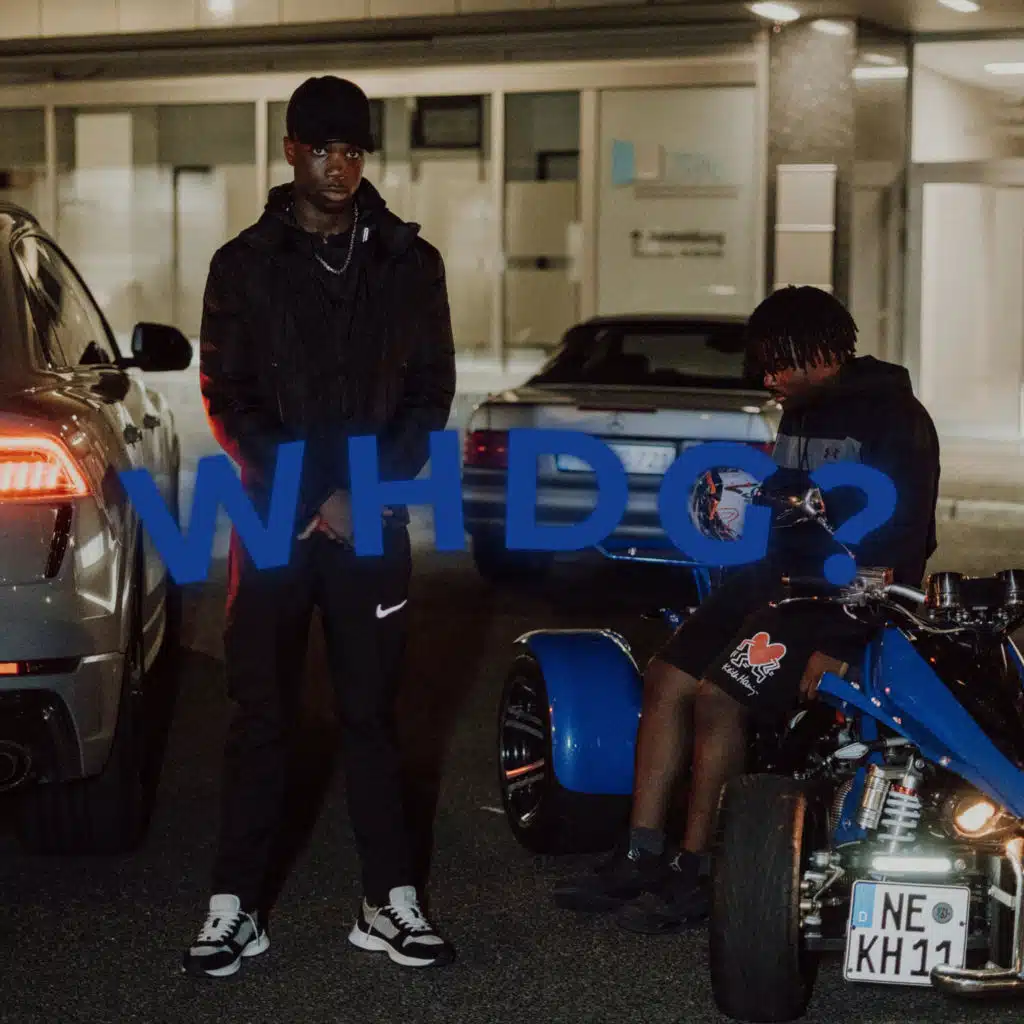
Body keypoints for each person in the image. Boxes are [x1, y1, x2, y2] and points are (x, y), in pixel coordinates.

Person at [552, 285, 940, 934]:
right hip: (769, 582)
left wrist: (843, 642)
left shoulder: (896, 419)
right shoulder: (801, 411)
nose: (768, 379)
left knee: (719, 697)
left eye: (778, 364)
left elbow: (903, 543)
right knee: (666, 678)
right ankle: (640, 853)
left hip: (834, 601)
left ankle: (699, 869)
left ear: (821, 353)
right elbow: (784, 502)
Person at [184, 75, 457, 976]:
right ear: (292, 151)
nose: (339, 167)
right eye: (322, 149)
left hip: (370, 518)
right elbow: (226, 395)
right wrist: (310, 497)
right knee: (261, 715)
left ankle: (389, 901)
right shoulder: (243, 264)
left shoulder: (411, 262)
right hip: (275, 518)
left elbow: (430, 393)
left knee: (372, 716)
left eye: (353, 151)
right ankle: (234, 908)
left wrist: (359, 496)